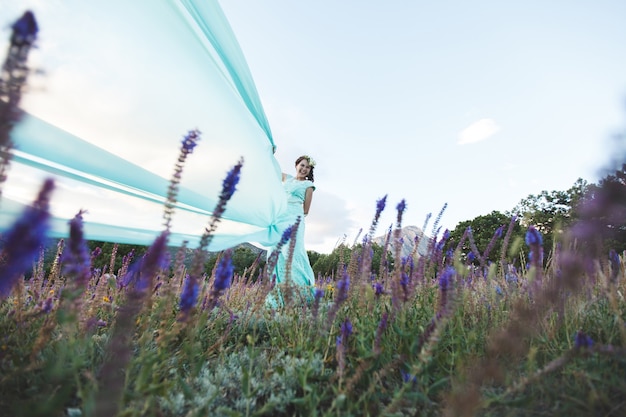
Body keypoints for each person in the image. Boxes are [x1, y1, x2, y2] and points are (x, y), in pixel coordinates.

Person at [267, 155, 317, 306]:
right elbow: (272, 170)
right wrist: (271, 152)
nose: (304, 169)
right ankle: (279, 298)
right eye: (302, 165)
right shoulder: (287, 178)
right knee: (275, 254)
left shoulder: (308, 185)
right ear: (296, 165)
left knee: (293, 253)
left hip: (295, 220)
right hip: (279, 219)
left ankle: (304, 295)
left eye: (307, 167)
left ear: (309, 171)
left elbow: (306, 210)